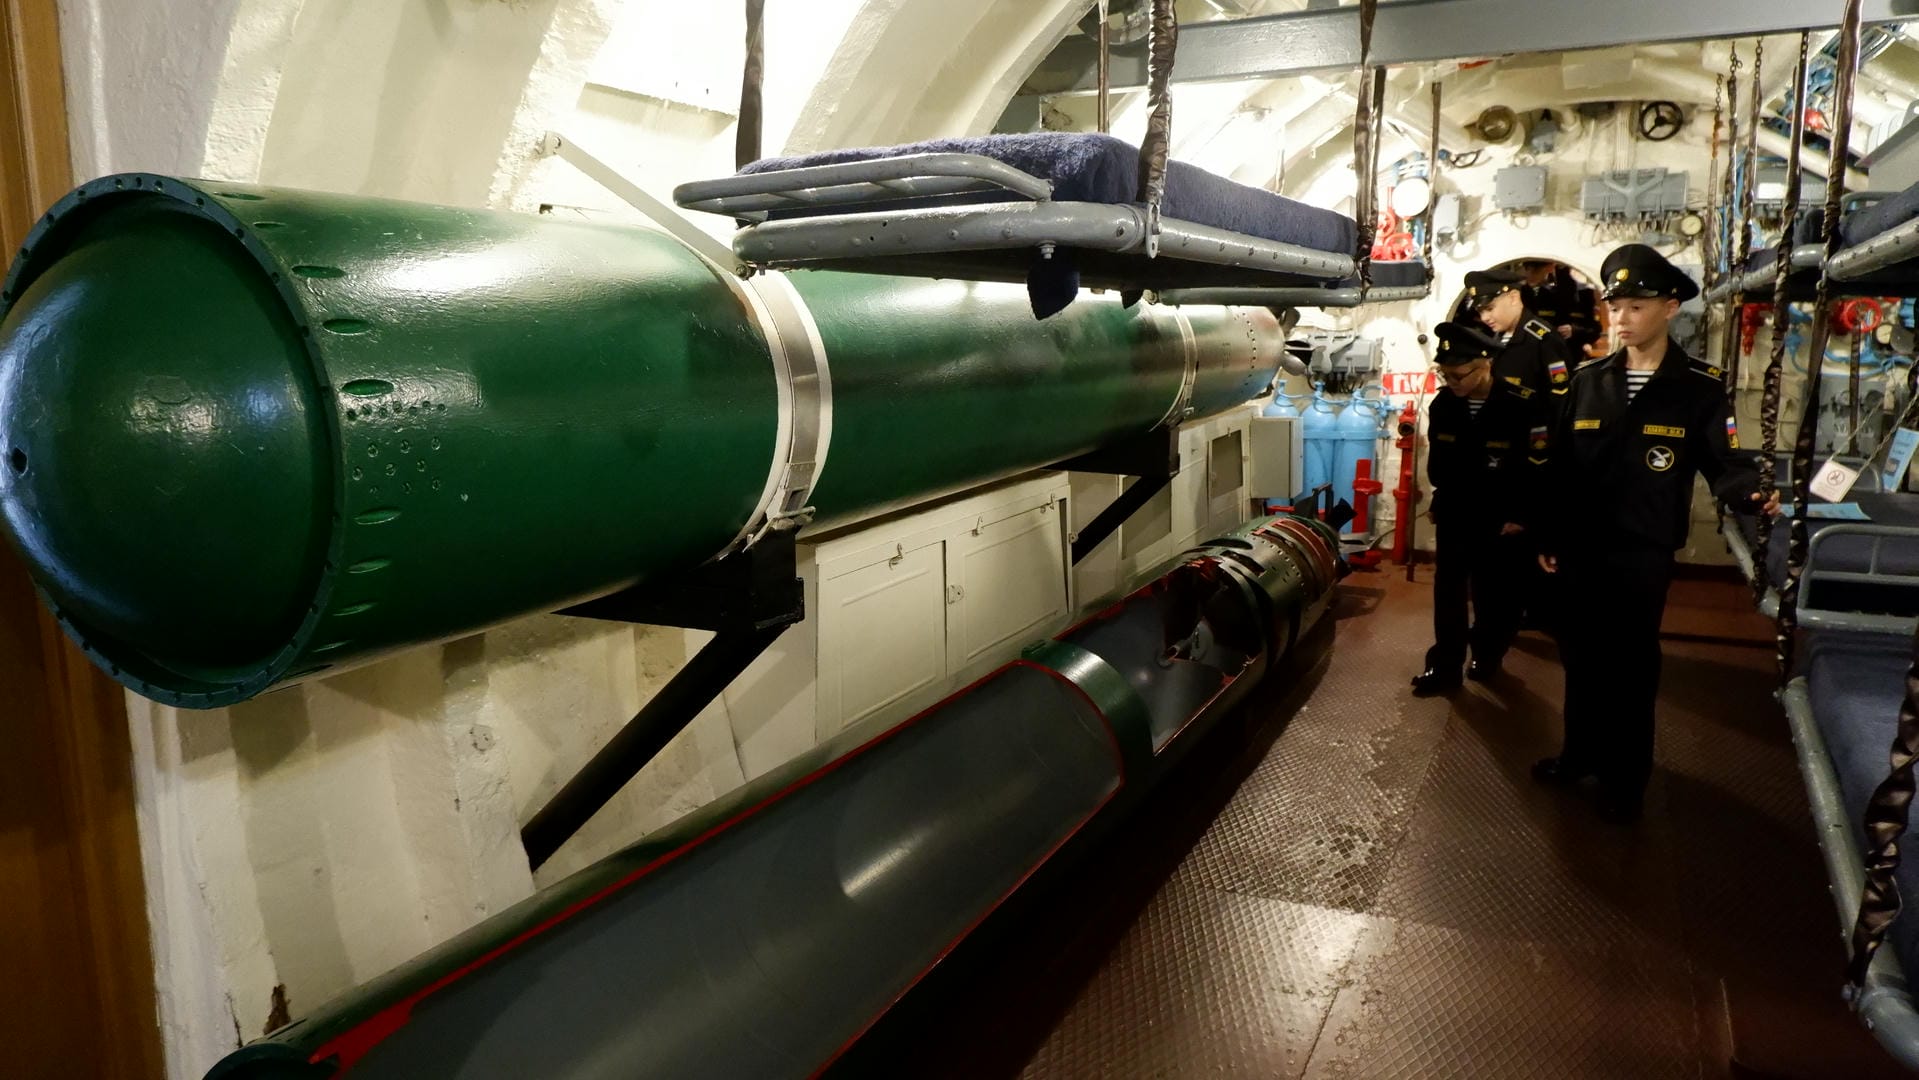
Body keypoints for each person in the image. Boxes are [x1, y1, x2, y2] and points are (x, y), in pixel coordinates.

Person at [1532, 243, 1780, 824]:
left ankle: (1626, 777)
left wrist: (1749, 492)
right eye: (1613, 305)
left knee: (1631, 664)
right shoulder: (1587, 381)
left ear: (1670, 308)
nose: (1620, 317)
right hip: (1581, 546)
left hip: (1642, 551)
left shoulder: (1698, 386)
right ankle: (1579, 755)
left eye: (1635, 305)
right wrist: (1547, 532)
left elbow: (1727, 462)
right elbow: (1559, 467)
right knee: (1581, 656)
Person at [1411, 322, 1547, 696]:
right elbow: (1440, 463)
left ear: (1486, 364)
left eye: (1460, 374)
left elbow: (1537, 466)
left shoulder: (1523, 404)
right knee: (1448, 592)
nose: (1452, 381)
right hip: (1457, 511)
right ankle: (1445, 667)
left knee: (1497, 595)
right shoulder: (1444, 405)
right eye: (1445, 374)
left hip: (1503, 518)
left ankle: (1488, 654)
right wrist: (1440, 498)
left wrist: (1522, 515)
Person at [1465, 267, 1575, 400]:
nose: (1484, 318)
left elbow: (1560, 394)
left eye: (1489, 308)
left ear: (1513, 298)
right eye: (1480, 311)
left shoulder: (1543, 339)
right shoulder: (1495, 337)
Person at [1521, 259, 1604, 358]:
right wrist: (1549, 334)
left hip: (1571, 356)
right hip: (1538, 356)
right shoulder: (1525, 293)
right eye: (1527, 270)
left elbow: (1595, 330)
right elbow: (1524, 325)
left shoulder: (1580, 292)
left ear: (1550, 267)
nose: (1529, 276)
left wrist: (1575, 331)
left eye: (1534, 271)